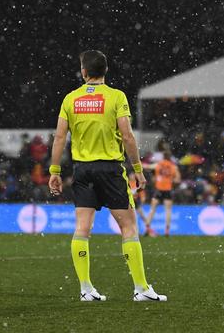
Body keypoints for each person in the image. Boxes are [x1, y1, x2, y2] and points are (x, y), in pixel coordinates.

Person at [48, 50, 167, 302]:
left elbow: (59, 137)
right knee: (128, 227)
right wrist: (137, 168)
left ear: (84, 71)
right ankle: (141, 288)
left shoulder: (71, 99)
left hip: (82, 170)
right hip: (110, 169)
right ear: (105, 71)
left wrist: (55, 170)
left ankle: (85, 289)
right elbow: (127, 135)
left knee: (82, 229)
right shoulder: (116, 97)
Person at [145, 149, 181, 237]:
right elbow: (178, 179)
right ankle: (167, 231)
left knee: (152, 210)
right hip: (167, 190)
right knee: (168, 210)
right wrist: (171, 180)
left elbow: (148, 167)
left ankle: (147, 229)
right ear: (170, 157)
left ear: (163, 156)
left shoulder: (158, 164)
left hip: (158, 189)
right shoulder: (173, 166)